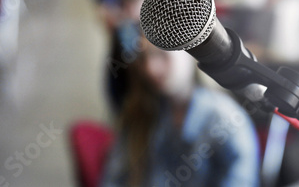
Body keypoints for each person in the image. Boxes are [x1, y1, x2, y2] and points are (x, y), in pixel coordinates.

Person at [101, 35, 260, 187]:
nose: (150, 68)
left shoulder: (226, 120)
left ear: (190, 53)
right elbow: (114, 179)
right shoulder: (143, 113)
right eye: (144, 58)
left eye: (161, 55)